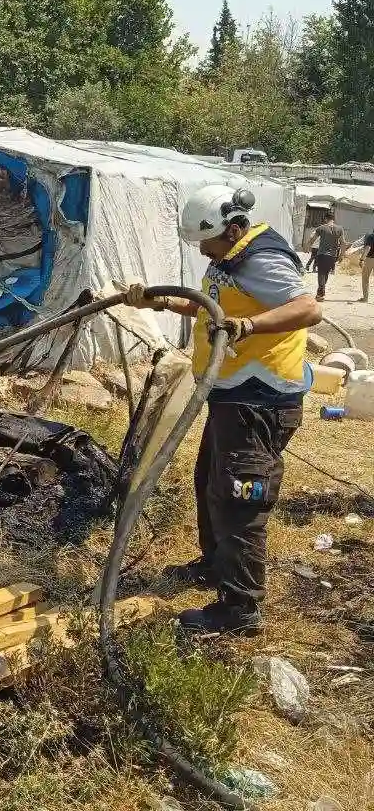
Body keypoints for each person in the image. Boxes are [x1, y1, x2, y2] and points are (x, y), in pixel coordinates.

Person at [126, 184, 321, 636]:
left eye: (205, 240)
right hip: (233, 395)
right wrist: (156, 300)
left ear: (232, 228)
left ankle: (240, 610)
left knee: (239, 498)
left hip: (259, 401)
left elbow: (308, 308)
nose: (200, 248)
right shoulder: (232, 257)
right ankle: (215, 565)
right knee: (212, 481)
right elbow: (211, 309)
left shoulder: (262, 259)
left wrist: (249, 326)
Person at [305, 210, 344, 301]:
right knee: (325, 274)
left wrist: (307, 247)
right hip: (333, 256)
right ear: (333, 219)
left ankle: (320, 294)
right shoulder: (340, 229)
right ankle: (321, 291)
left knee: (321, 274)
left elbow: (312, 239)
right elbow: (342, 243)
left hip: (322, 254)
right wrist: (341, 255)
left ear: (326, 219)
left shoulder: (321, 228)